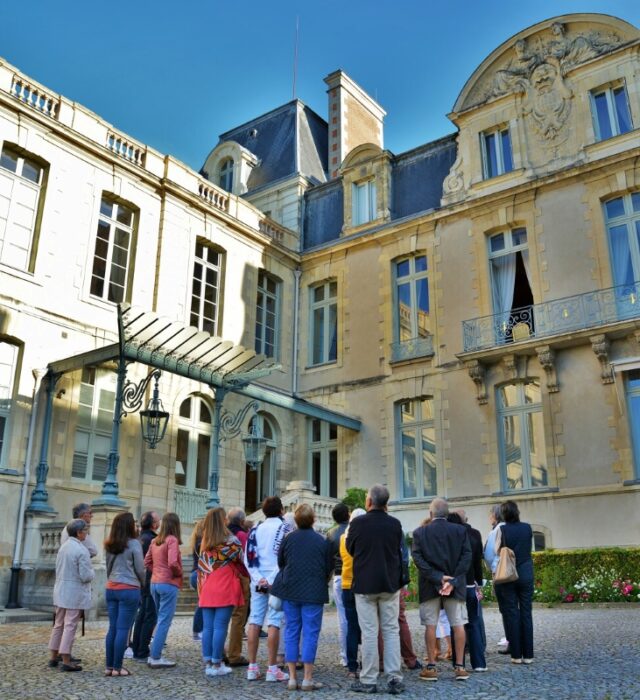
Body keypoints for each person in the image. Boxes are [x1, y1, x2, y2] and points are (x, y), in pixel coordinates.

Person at [346, 484, 404, 695]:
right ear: (386, 503)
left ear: (369, 502)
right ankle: (394, 678)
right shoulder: (395, 524)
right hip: (389, 583)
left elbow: (351, 549)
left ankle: (369, 679)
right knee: (391, 631)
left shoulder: (358, 523)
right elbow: (398, 551)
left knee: (369, 633)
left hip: (365, 584)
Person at [271, 503, 332, 691]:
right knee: (310, 634)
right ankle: (307, 678)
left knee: (291, 631)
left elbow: (281, 562)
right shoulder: (322, 541)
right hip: (313, 592)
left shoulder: (288, 539)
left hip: (291, 590)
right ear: (314, 519)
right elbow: (329, 567)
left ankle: (291, 678)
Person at [411, 497, 472, 682]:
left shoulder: (420, 532)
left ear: (430, 514)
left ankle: (431, 666)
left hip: (430, 585)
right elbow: (466, 557)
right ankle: (460, 667)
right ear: (447, 514)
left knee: (430, 625)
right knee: (458, 624)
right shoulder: (460, 531)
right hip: (455, 584)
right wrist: (452, 580)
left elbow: (417, 558)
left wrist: (438, 577)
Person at [244, 496, 290, 683]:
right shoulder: (285, 528)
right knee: (274, 621)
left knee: (254, 619)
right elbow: (286, 556)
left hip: (258, 581)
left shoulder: (255, 530)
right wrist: (271, 579)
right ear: (281, 510)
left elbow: (248, 557)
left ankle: (252, 667)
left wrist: (259, 578)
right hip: (277, 581)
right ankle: (272, 668)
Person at [197, 507, 245, 677]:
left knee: (208, 627)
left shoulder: (205, 543)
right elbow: (242, 560)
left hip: (208, 586)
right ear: (222, 520)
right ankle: (217, 663)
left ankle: (209, 662)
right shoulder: (231, 541)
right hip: (225, 585)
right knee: (220, 627)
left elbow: (201, 569)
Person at [48, 519, 95, 671]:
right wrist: (93, 572)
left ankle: (53, 657)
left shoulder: (64, 547)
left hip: (61, 589)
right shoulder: (81, 550)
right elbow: (86, 576)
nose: (86, 534)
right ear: (79, 532)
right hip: (74, 592)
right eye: (85, 531)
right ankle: (66, 660)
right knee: (70, 625)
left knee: (58, 624)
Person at [104, 512, 145, 677]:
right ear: (129, 526)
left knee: (112, 628)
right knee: (123, 629)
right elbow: (140, 569)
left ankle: (108, 666)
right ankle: (117, 667)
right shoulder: (134, 543)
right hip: (129, 588)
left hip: (111, 587)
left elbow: (108, 567)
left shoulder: (109, 544)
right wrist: (143, 583)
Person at [493, 501, 535, 665]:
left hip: (508, 574)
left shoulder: (502, 529)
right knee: (526, 612)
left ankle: (516, 655)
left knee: (511, 613)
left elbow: (497, 550)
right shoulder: (527, 527)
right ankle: (529, 655)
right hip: (526, 573)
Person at [449, 510, 486, 672]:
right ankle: (479, 663)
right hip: (471, 584)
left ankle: (459, 663)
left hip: (456, 586)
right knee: (474, 623)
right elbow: (478, 560)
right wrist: (479, 582)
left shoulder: (450, 536)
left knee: (456, 625)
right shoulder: (474, 534)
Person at [144, 512, 183, 668]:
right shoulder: (172, 540)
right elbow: (173, 562)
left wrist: (157, 572)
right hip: (168, 583)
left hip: (155, 583)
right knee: (164, 621)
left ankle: (153, 654)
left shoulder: (155, 541)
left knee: (160, 619)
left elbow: (147, 562)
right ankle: (155, 656)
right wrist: (178, 573)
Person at [340, 507, 366, 678]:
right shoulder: (365, 538)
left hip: (346, 584)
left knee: (351, 627)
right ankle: (366, 663)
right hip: (363, 584)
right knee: (366, 627)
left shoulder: (343, 537)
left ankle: (351, 667)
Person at [131, 510, 160, 661]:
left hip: (143, 582)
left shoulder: (141, 538)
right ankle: (142, 649)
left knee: (142, 615)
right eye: (157, 520)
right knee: (149, 616)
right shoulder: (151, 539)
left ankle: (137, 647)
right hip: (149, 582)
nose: (159, 522)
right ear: (154, 524)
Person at [326, 502, 350, 667]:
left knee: (343, 619)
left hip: (338, 576)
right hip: (355, 576)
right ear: (347, 514)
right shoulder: (354, 530)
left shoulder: (331, 534)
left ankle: (345, 656)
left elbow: (327, 559)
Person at [226, 507, 251, 666]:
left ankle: (219, 652)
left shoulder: (222, 534)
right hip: (240, 576)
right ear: (242, 521)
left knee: (222, 617)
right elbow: (246, 558)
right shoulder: (242, 535)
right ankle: (234, 654)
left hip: (223, 577)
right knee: (238, 616)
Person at [484, 505, 509, 652]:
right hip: (511, 572)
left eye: (491, 514)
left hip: (499, 571)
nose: (489, 517)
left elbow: (488, 554)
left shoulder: (496, 530)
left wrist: (492, 568)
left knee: (505, 607)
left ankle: (509, 638)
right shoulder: (509, 527)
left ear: (495, 515)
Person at [189, 519, 204, 641]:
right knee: (202, 603)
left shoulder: (196, 541)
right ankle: (197, 631)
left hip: (194, 573)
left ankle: (198, 630)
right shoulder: (201, 543)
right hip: (199, 574)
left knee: (202, 603)